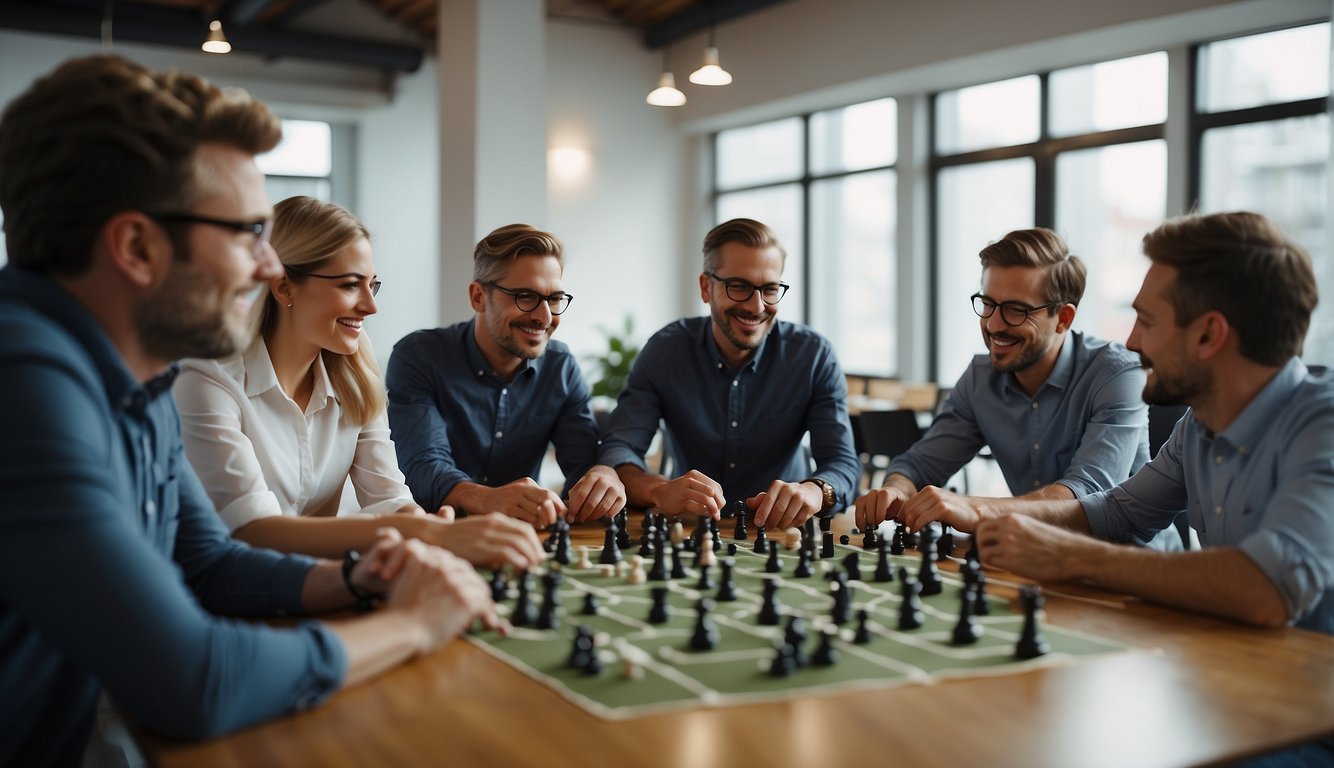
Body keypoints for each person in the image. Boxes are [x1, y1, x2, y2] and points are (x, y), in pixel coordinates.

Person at [0, 55, 497, 766]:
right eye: (247, 233)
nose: (269, 268)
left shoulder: (136, 377)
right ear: (138, 246)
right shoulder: (23, 381)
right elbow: (194, 679)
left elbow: (207, 564)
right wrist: (412, 624)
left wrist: (354, 578)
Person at [929, 213, 1333, 636]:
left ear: (1208, 335)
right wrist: (987, 515)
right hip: (1239, 666)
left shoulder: (1323, 421)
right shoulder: (1199, 424)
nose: (1133, 342)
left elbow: (1267, 589)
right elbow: (1117, 511)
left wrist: (1071, 556)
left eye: (1148, 321)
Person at [174, 197, 542, 569]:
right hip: (227, 596)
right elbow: (252, 530)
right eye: (350, 285)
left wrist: (425, 526)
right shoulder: (207, 378)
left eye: (373, 285)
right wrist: (426, 534)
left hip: (324, 584)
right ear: (284, 287)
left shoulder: (355, 369)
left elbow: (388, 496)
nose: (370, 305)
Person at [854, 228, 1161, 543]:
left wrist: (973, 508)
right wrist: (896, 489)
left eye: (1017, 310)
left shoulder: (1118, 374)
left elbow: (1085, 497)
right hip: (1036, 558)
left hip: (1131, 567)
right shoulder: (980, 378)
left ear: (1064, 318)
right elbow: (920, 465)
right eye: (988, 303)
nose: (994, 324)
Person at [598, 218, 860, 530]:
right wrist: (659, 489)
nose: (756, 306)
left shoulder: (814, 357)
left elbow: (843, 465)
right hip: (693, 532)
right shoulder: (665, 352)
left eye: (770, 289)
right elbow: (620, 449)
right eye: (739, 287)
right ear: (706, 288)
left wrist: (815, 491)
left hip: (782, 534)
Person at [387, 224, 626, 527]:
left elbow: (582, 465)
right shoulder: (419, 356)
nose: (545, 317)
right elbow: (423, 465)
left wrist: (603, 475)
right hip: (437, 537)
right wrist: (487, 499)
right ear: (477, 297)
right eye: (525, 296)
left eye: (554, 298)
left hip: (524, 541)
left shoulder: (561, 367)